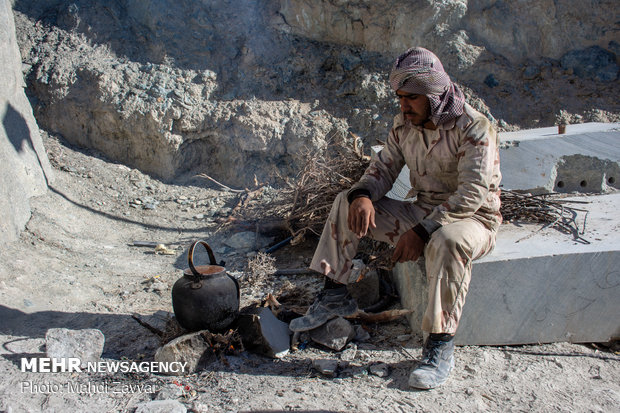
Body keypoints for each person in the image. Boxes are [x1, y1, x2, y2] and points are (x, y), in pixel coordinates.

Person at [289, 47, 502, 390]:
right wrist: (363, 195)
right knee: (346, 202)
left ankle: (439, 347)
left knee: (447, 242)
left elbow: (472, 194)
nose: (403, 106)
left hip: (472, 220)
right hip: (422, 210)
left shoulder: (474, 127)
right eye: (400, 97)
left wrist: (423, 230)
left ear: (434, 96)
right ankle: (334, 295)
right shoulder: (405, 123)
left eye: (412, 98)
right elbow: (383, 169)